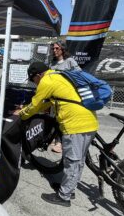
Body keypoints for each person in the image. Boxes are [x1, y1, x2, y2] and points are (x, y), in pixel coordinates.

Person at [14, 61, 98, 207]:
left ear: (38, 75)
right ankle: (69, 188)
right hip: (89, 121)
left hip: (75, 124)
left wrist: (21, 113)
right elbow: (48, 102)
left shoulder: (46, 81)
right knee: (79, 160)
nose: (34, 83)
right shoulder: (58, 76)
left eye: (33, 80)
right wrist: (28, 108)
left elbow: (35, 104)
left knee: (72, 161)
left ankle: (64, 196)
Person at [49, 40, 81, 153]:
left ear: (63, 49)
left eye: (57, 48)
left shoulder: (69, 61)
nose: (54, 50)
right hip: (53, 95)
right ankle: (54, 138)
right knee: (54, 118)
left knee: (62, 119)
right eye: (53, 48)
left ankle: (60, 143)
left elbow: (79, 73)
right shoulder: (52, 63)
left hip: (65, 97)